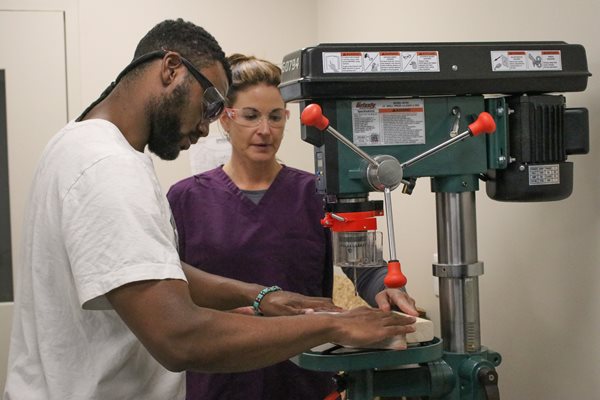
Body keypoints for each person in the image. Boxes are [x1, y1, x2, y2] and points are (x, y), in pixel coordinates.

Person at [3, 19, 418, 400]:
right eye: (211, 106)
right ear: (171, 69)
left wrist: (262, 296)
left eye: (276, 117)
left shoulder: (73, 145)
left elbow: (151, 272)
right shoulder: (112, 170)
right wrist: (332, 324)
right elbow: (179, 337)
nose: (205, 127)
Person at [167, 54, 419, 400]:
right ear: (226, 119)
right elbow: (172, 291)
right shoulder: (185, 198)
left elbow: (364, 264)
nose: (265, 130)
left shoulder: (316, 192)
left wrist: (382, 290)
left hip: (303, 379)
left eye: (275, 117)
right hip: (219, 380)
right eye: (251, 116)